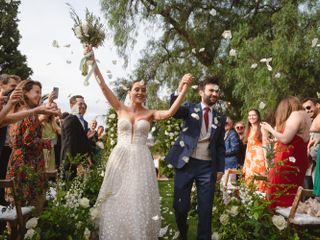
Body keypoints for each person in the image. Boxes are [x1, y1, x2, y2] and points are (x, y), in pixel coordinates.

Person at [86, 46, 192, 240]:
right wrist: (92, 61)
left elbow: (169, 113)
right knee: (116, 194)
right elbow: (103, 87)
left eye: (144, 90)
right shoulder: (120, 108)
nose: (141, 92)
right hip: (120, 155)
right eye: (137, 89)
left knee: (136, 195)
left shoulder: (150, 113)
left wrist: (183, 89)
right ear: (130, 91)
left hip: (141, 158)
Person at [165, 76, 225, 240]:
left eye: (217, 91)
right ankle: (183, 233)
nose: (214, 93)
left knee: (205, 209)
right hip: (186, 164)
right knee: (180, 207)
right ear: (201, 92)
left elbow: (220, 145)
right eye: (211, 90)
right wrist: (180, 87)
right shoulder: (189, 108)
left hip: (207, 167)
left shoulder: (220, 117)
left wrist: (220, 168)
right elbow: (175, 112)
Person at [6, 80, 54, 210]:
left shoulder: (17, 111)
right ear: (25, 93)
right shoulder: (29, 114)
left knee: (16, 207)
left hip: (16, 161)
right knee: (30, 207)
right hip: (28, 164)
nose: (39, 95)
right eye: (37, 92)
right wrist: (46, 142)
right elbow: (28, 142)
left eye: (40, 92)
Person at [261, 96, 311, 208]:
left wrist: (270, 129)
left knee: (277, 192)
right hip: (299, 160)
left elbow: (285, 138)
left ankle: (276, 220)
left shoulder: (295, 114)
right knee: (292, 193)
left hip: (287, 161)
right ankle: (289, 221)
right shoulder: (306, 116)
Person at [60, 95, 91, 178]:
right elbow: (69, 144)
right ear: (72, 105)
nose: (83, 106)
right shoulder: (70, 120)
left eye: (83, 104)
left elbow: (81, 142)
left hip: (81, 160)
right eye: (80, 104)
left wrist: (87, 157)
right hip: (71, 163)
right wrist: (77, 163)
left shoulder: (81, 121)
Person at [243, 109, 267, 192]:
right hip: (250, 159)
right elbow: (248, 146)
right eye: (249, 115)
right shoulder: (248, 129)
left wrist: (267, 162)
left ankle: (260, 201)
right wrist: (245, 163)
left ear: (258, 116)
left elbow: (265, 145)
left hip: (259, 158)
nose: (251, 117)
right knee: (249, 181)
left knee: (259, 179)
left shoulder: (262, 127)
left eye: (253, 115)